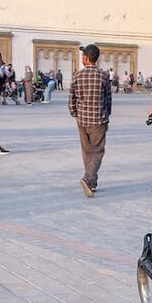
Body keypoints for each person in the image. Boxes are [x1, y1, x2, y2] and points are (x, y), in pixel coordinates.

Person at [69, 43, 112, 197]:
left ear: (86, 58)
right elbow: (108, 99)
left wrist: (75, 113)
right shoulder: (103, 76)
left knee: (87, 151)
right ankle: (89, 179)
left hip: (82, 120)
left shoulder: (77, 75)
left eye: (82, 56)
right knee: (98, 151)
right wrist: (107, 117)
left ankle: (92, 183)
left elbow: (71, 98)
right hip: (98, 120)